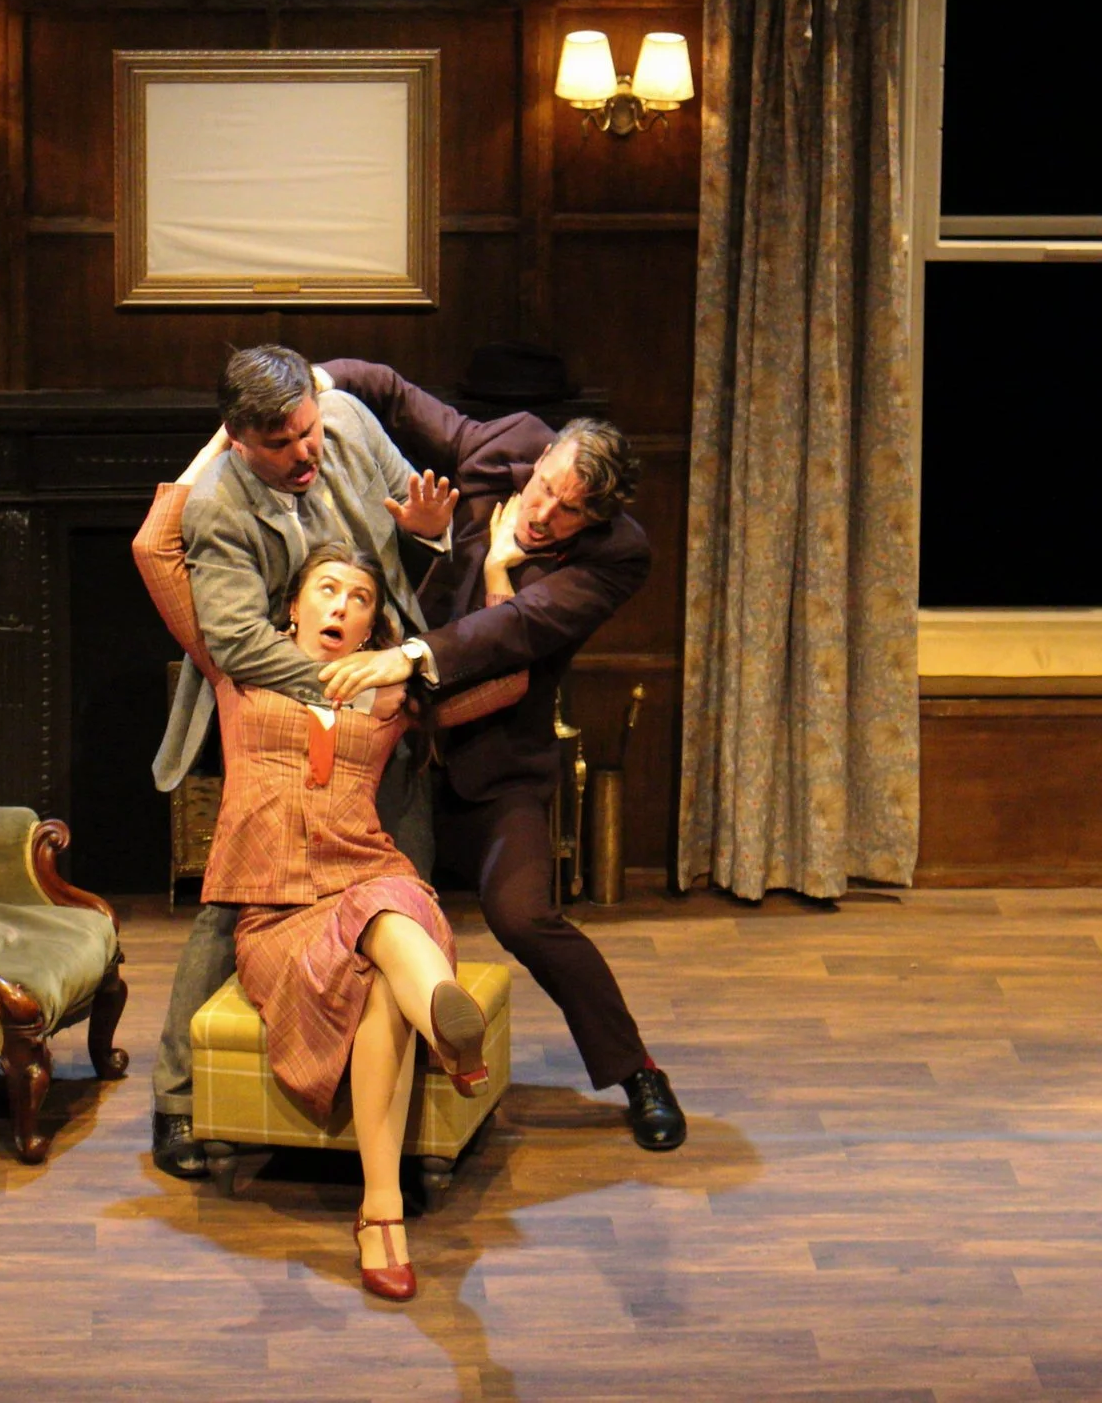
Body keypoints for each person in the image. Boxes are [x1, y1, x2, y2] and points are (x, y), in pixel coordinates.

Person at [134, 430, 523, 1300]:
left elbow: (506, 681)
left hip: (366, 873)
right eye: (328, 590)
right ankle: (431, 1049)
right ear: (293, 610)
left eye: (359, 596)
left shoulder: (387, 691)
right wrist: (227, 439)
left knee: (389, 908)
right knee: (385, 963)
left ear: (373, 622)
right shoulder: (241, 667)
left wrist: (494, 572)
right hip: (277, 907)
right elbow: (154, 547)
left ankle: (387, 1190)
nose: (343, 605)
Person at [305, 358, 688, 1151]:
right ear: (541, 458)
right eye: (545, 487)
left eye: (570, 509)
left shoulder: (617, 558)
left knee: (523, 915)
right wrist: (315, 380)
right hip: (397, 750)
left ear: (600, 516)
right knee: (361, 911)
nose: (545, 511)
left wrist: (424, 640)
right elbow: (394, 393)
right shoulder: (508, 443)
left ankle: (636, 1070)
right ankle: (352, 1086)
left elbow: (511, 636)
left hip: (497, 756)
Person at [148, 345, 456, 1180]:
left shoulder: (348, 423)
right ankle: (176, 1101)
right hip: (280, 694)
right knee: (236, 900)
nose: (306, 453)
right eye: (281, 442)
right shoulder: (218, 504)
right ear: (239, 439)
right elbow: (236, 640)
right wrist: (341, 684)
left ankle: (417, 1117)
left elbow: (416, 527)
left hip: (387, 682)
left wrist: (429, 545)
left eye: (308, 431)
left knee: (404, 889)